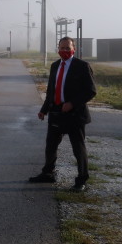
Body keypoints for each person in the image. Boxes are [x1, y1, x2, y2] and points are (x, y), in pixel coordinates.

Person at [29, 36, 96, 191]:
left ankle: (81, 180)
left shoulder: (82, 66)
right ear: (57, 48)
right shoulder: (55, 66)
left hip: (75, 115)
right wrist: (44, 110)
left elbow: (91, 91)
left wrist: (72, 103)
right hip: (56, 112)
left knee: (78, 148)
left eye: (67, 48)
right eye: (62, 47)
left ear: (74, 49)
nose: (64, 51)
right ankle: (48, 173)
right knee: (50, 146)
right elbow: (51, 90)